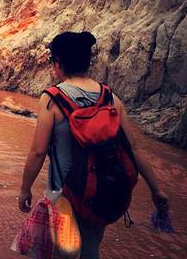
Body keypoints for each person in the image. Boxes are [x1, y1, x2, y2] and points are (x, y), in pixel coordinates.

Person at [18, 31, 169, 259]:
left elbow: (38, 151)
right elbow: (133, 148)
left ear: (57, 62)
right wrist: (156, 190)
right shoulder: (110, 97)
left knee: (63, 253)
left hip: (65, 191)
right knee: (90, 248)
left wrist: (25, 189)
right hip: (101, 190)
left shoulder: (52, 98)